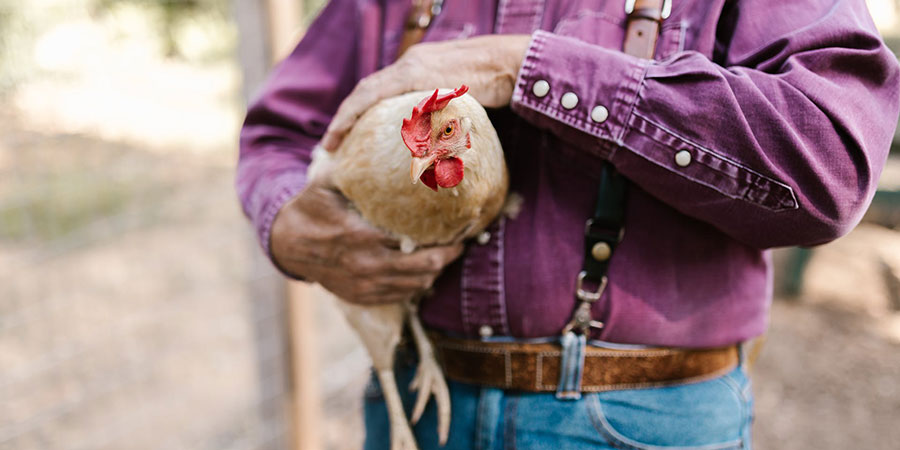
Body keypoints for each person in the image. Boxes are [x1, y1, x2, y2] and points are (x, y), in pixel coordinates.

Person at [237, 0, 900, 448]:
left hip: (644, 418)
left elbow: (829, 162)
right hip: (416, 400)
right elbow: (279, 133)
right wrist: (290, 226)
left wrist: (523, 66)